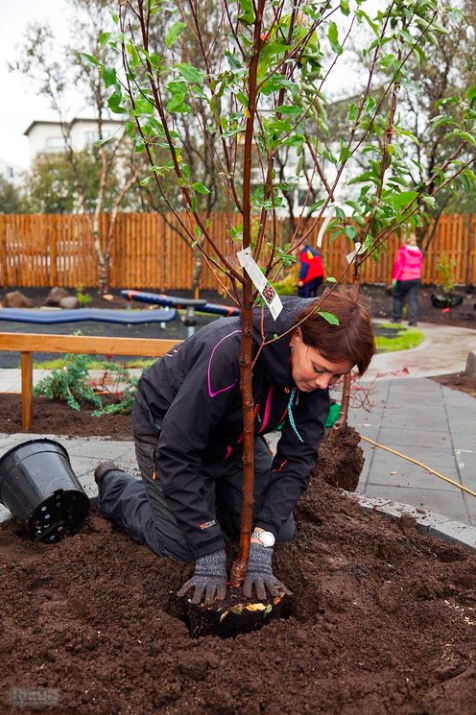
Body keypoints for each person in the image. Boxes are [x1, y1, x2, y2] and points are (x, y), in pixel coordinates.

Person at [94, 288, 375, 605]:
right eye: (320, 368)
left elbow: (297, 462)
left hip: (235, 437)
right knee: (183, 547)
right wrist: (208, 544)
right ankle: (118, 487)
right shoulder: (230, 353)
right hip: (167, 433)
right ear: (296, 336)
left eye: (336, 376)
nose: (324, 384)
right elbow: (176, 452)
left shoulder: (313, 382)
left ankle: (209, 498)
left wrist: (262, 536)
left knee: (278, 532)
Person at [391, 233, 423, 325]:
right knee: (413, 299)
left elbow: (398, 265)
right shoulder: (418, 252)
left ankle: (397, 318)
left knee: (398, 297)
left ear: (405, 240)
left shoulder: (403, 251)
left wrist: (394, 278)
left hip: (404, 278)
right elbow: (420, 265)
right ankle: (413, 321)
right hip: (416, 278)